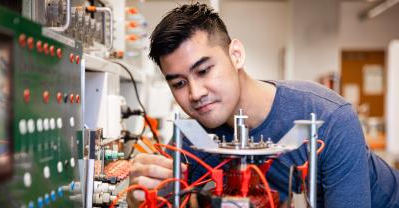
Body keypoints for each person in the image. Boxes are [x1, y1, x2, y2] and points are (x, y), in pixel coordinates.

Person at [128, 3, 399, 207]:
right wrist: (142, 197)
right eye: (178, 83)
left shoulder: (329, 118)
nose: (195, 93)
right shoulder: (192, 139)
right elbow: (166, 196)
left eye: (204, 70)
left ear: (236, 55)